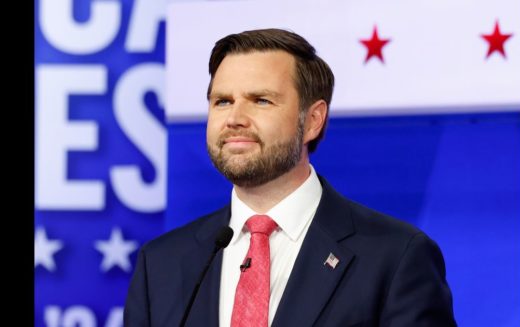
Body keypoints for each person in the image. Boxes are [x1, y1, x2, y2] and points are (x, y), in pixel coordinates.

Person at [124, 28, 457, 327]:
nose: (235, 118)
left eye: (261, 100)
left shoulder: (395, 257)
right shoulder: (161, 264)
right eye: (222, 101)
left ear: (313, 120)